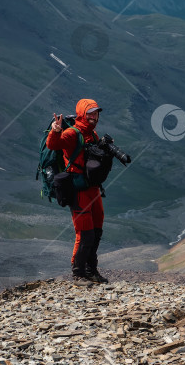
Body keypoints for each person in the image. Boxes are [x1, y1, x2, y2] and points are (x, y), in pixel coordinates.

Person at [46, 98, 110, 284]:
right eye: (90, 113)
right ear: (82, 114)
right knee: (85, 233)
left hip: (93, 189)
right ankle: (78, 274)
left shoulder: (93, 135)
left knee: (97, 230)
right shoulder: (72, 134)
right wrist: (55, 131)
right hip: (78, 190)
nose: (94, 117)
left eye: (96, 113)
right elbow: (53, 145)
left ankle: (91, 270)